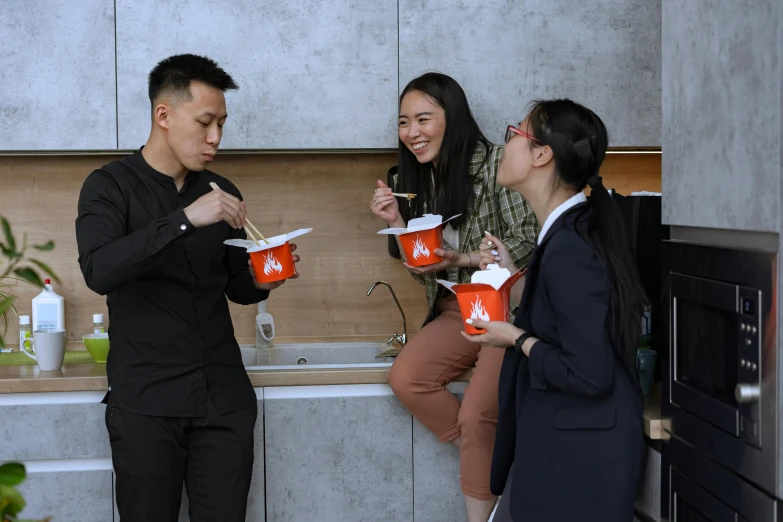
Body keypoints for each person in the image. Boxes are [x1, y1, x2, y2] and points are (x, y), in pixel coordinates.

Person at [75, 54, 300, 522]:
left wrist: (264, 276)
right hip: (146, 403)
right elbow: (100, 270)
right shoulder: (108, 187)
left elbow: (238, 287)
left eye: (221, 123)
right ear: (164, 115)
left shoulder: (223, 189)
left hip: (224, 400)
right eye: (205, 122)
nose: (215, 137)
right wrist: (185, 219)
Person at [464, 99, 647, 521]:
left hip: (581, 453)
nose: (504, 145)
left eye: (514, 135)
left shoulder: (569, 245)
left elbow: (588, 373)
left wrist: (514, 337)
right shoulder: (569, 231)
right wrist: (514, 276)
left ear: (542, 155)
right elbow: (568, 319)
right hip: (572, 442)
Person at [370, 72, 537, 522]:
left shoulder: (501, 163)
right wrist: (398, 223)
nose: (412, 133)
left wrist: (464, 259)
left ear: (454, 118)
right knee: (407, 379)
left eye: (424, 118)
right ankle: (492, 454)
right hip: (455, 308)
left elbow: (530, 238)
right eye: (404, 123)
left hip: (505, 309)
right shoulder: (420, 181)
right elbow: (429, 269)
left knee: (480, 411)